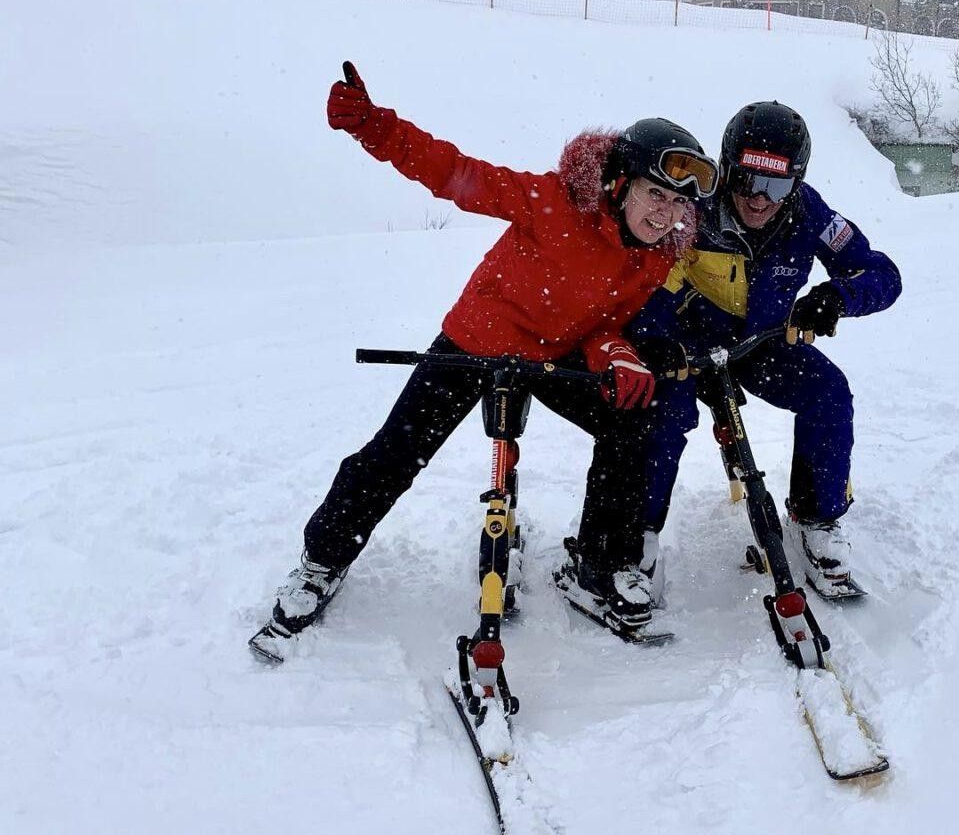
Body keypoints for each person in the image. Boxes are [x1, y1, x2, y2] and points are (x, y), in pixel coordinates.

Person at [250, 63, 719, 661]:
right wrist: (373, 126)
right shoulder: (555, 201)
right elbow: (455, 173)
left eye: (677, 203)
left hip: (552, 355)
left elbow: (606, 321)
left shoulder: (656, 255)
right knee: (397, 450)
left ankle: (600, 566)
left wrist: (618, 354)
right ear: (620, 184)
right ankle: (323, 559)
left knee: (632, 421)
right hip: (478, 342)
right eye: (656, 194)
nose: (665, 213)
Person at [630, 101, 901, 600]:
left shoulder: (810, 212)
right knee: (664, 412)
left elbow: (881, 273)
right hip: (688, 349)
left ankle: (816, 518)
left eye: (776, 187)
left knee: (829, 392)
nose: (758, 199)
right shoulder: (691, 208)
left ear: (796, 183)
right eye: (746, 181)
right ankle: (638, 534)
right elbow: (648, 281)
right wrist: (654, 336)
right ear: (726, 169)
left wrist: (837, 297)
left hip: (762, 345)